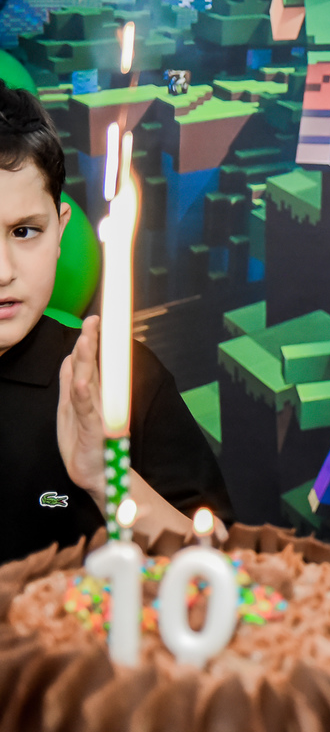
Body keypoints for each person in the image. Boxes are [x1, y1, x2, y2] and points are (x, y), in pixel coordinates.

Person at [0, 79, 233, 564]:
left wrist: (109, 480)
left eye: (24, 231)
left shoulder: (124, 379)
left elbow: (226, 576)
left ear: (60, 229)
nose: (3, 271)